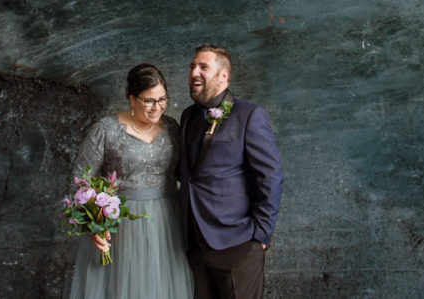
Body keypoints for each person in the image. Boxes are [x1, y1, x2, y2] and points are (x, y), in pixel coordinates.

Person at [66, 63, 194, 299]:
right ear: (132, 98)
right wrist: (94, 225)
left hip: (168, 223)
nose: (158, 107)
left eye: (162, 99)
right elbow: (81, 182)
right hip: (121, 227)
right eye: (149, 101)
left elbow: (183, 174)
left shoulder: (173, 128)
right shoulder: (106, 130)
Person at [178, 45, 284, 299]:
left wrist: (261, 235)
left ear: (223, 76)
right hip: (195, 244)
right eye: (193, 66)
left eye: (203, 67)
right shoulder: (187, 117)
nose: (194, 72)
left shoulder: (250, 115)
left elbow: (271, 176)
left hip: (239, 245)